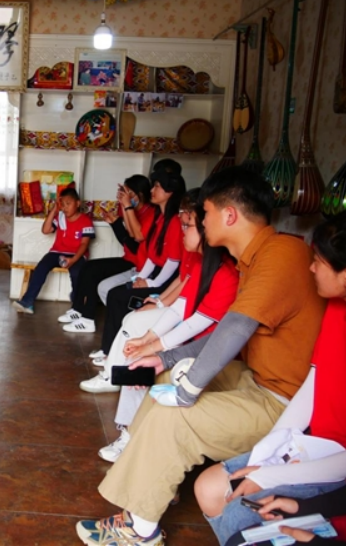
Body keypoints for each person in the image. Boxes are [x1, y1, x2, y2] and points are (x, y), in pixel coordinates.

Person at [76, 167, 325, 546]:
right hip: (253, 378)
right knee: (168, 374)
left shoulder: (282, 253)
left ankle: (141, 531)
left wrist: (188, 390)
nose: (201, 221)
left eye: (204, 213)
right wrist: (166, 359)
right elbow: (224, 334)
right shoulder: (254, 258)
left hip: (283, 404)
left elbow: (235, 327)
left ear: (229, 215)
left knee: (175, 415)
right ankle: (153, 481)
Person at [194, 210, 346, 546]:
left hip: (338, 462)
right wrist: (268, 451)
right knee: (209, 487)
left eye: (319, 261)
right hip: (311, 442)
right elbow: (315, 380)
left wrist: (273, 474)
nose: (311, 268)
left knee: (240, 513)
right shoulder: (338, 307)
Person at [82, 189, 238, 465]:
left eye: (188, 225)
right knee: (136, 359)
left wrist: (154, 346)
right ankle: (127, 431)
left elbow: (195, 325)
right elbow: (180, 308)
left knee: (141, 363)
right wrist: (147, 339)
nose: (182, 231)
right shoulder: (203, 266)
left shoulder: (225, 274)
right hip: (185, 344)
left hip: (201, 352)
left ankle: (132, 436)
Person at [70, 159, 185, 361]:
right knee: (106, 286)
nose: (153, 190)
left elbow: (171, 261)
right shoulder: (160, 218)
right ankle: (105, 344)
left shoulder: (173, 220)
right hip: (148, 272)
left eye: (157, 186)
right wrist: (139, 279)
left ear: (170, 191)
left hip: (162, 279)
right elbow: (150, 254)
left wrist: (150, 283)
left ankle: (111, 352)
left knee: (115, 295)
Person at [57, 175, 153, 335]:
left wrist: (120, 218)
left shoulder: (149, 213)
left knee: (93, 272)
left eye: (128, 192)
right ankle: (78, 310)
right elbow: (127, 242)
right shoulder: (132, 209)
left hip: (138, 263)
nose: (125, 196)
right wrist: (115, 223)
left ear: (140, 194)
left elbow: (135, 243)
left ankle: (87, 320)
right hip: (129, 258)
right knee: (88, 267)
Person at [12, 187, 95, 315]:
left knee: (77, 273)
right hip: (57, 252)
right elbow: (45, 230)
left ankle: (77, 306)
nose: (65, 208)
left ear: (78, 203)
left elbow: (84, 244)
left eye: (68, 204)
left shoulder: (85, 221)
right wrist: (54, 210)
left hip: (77, 254)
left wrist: (73, 260)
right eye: (63, 204)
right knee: (41, 268)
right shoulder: (60, 217)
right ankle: (27, 302)